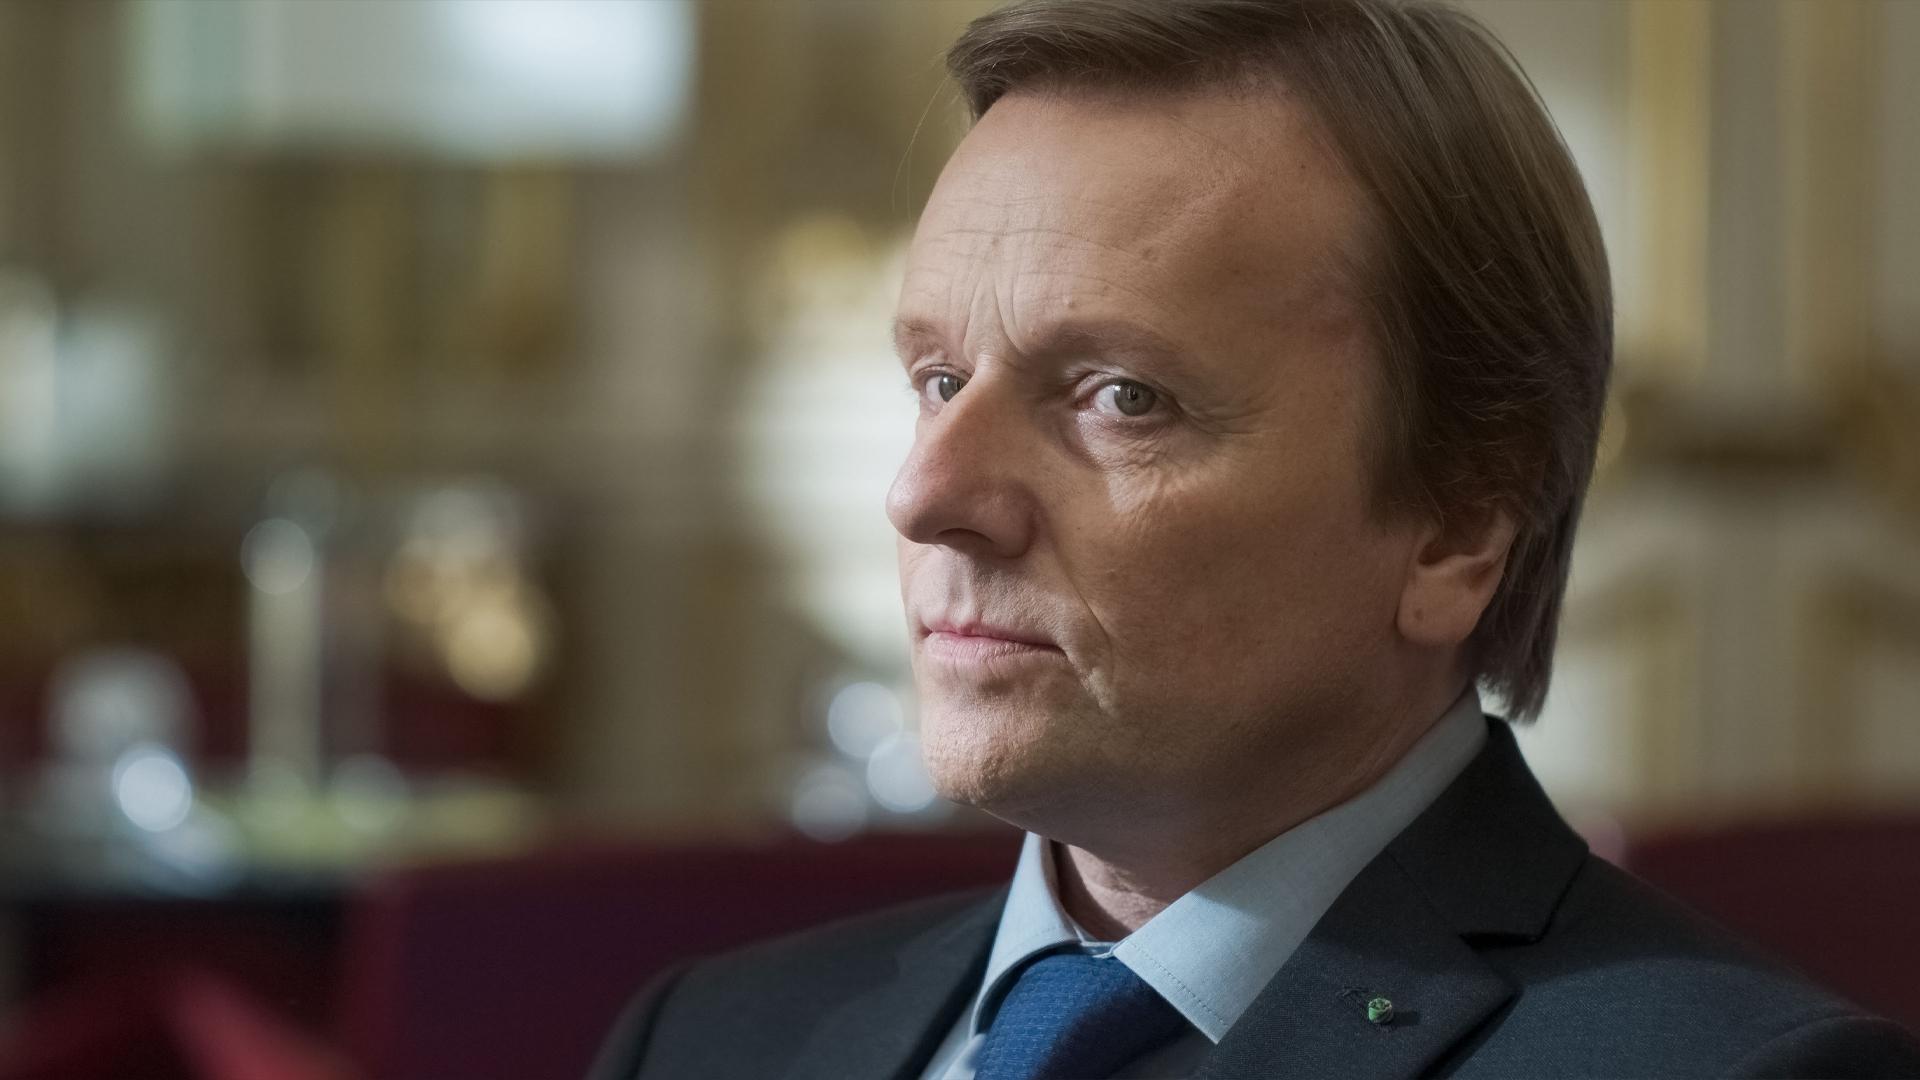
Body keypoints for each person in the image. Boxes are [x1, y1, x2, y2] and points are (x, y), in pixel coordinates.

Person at [590, 1, 1920, 1076]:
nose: (925, 494)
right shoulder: (707, 1040)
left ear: (1458, 526)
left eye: (1122, 397)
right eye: (939, 380)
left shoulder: (1740, 1070)